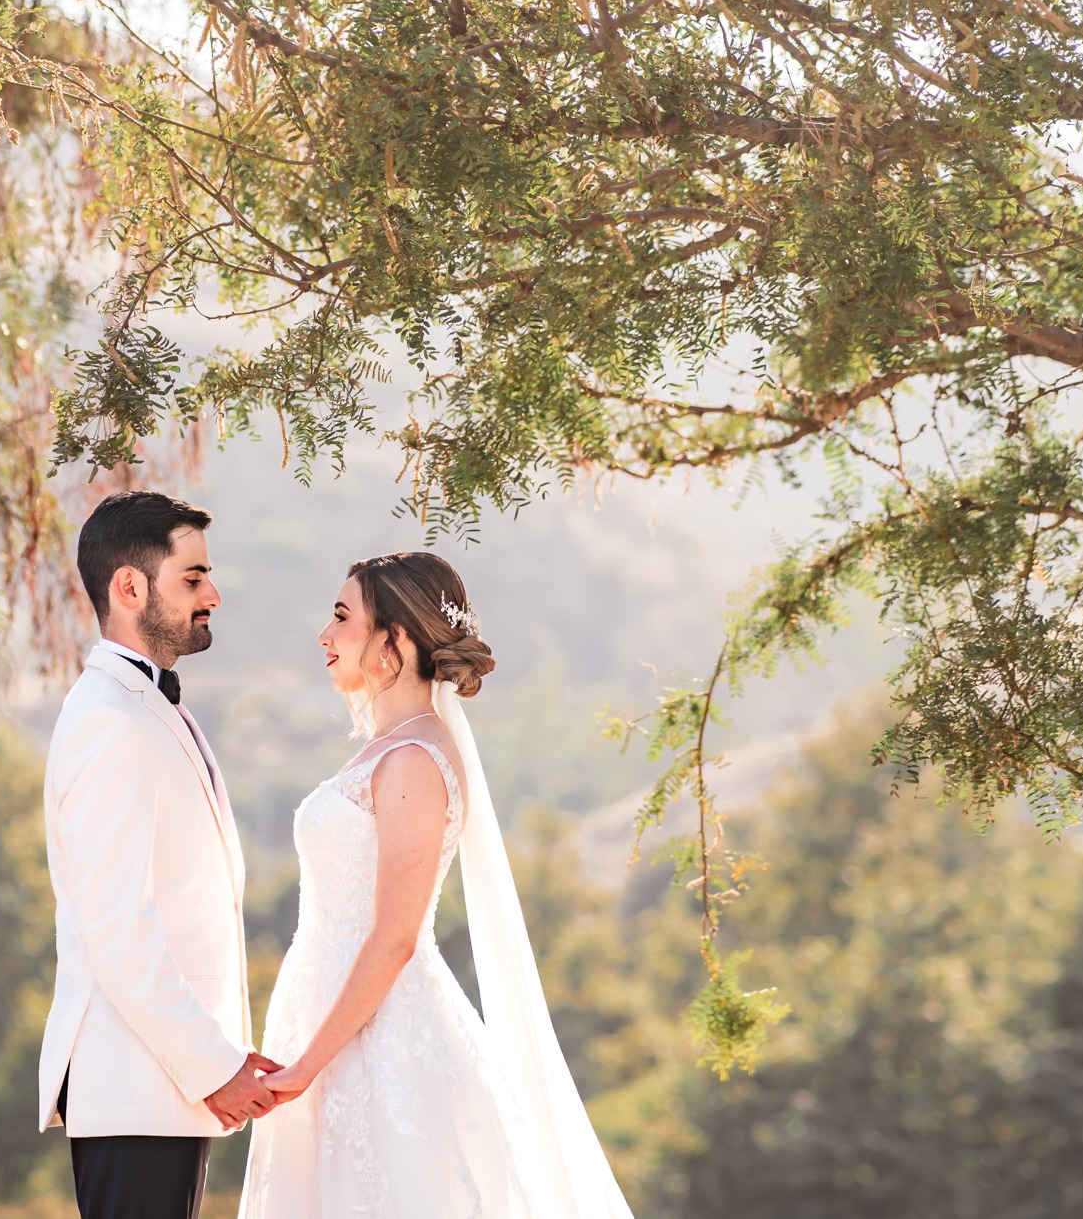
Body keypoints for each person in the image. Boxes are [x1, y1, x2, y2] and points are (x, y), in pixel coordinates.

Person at [239, 552, 637, 1218]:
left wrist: (308, 1065)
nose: (324, 634)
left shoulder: (413, 760)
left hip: (376, 1039)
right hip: (330, 1025)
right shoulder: (387, 746)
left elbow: (394, 936)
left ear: (392, 641)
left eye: (342, 617)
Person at [37, 491, 280, 1219]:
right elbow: (119, 927)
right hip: (136, 1084)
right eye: (193, 576)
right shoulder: (109, 720)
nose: (212, 594)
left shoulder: (147, 707)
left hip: (157, 1090)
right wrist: (214, 1065)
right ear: (130, 587)